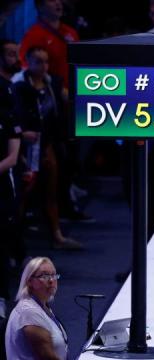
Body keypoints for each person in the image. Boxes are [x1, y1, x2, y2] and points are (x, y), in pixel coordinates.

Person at [12, 46, 83, 249]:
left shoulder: (53, 84)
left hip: (48, 144)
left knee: (51, 191)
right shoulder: (18, 85)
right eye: (38, 61)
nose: (44, 66)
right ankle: (14, 244)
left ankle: (57, 236)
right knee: (22, 195)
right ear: (28, 62)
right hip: (26, 147)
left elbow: (67, 102)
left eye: (46, 62)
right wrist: (21, 135)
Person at [4, 257, 68, 359]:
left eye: (54, 275)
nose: (51, 280)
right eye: (44, 276)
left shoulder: (41, 305)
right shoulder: (29, 313)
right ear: (29, 281)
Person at [0, 39, 22, 320]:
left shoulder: (5, 118)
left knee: (1, 248)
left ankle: (3, 299)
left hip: (2, 188)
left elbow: (13, 157)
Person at [19, 0, 79, 90]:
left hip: (76, 89)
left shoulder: (71, 32)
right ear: (40, 7)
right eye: (52, 0)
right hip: (53, 93)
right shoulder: (33, 35)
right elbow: (27, 69)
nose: (58, 2)